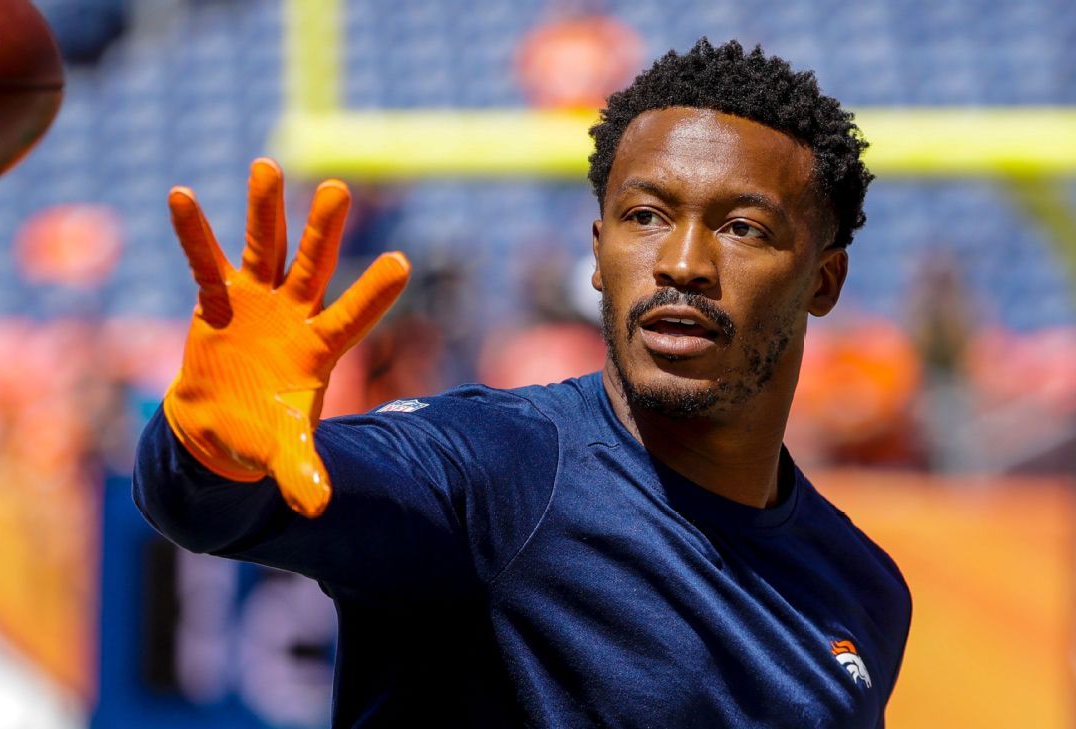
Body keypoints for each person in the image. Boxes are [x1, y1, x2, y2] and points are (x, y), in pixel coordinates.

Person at [134, 39, 911, 727]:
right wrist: (206, 451)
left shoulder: (862, 588)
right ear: (598, 251)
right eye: (645, 216)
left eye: (742, 227)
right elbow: (211, 506)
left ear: (824, 279)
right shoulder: (499, 471)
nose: (682, 263)